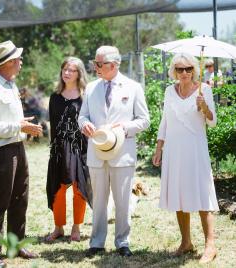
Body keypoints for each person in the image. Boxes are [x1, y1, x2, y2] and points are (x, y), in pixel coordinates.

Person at [78, 46, 150, 257]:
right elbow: (83, 116)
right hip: (97, 152)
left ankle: (122, 242)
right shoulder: (91, 88)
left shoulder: (133, 87)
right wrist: (85, 125)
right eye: (95, 63)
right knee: (98, 201)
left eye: (99, 64)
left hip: (122, 153)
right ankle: (97, 242)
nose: (95, 67)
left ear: (114, 64)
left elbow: (144, 120)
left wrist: (125, 129)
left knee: (123, 201)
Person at [0, 40, 42, 267]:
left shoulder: (10, 85)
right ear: (9, 62)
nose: (21, 62)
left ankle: (16, 245)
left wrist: (22, 125)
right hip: (1, 151)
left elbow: (9, 120)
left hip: (17, 147)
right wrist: (19, 126)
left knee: (20, 197)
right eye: (18, 59)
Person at [152, 53, 219, 264]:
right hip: (174, 151)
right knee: (179, 194)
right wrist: (159, 147)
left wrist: (205, 107)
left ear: (194, 70)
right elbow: (164, 121)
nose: (184, 73)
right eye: (180, 69)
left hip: (195, 149)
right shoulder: (169, 91)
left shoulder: (204, 90)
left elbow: (213, 122)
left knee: (202, 195)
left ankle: (210, 246)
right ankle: (186, 242)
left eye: (188, 69)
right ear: (174, 71)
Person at [46, 57, 92, 242]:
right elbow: (53, 125)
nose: (66, 73)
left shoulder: (85, 96)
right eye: (64, 69)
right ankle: (58, 228)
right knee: (58, 188)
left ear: (79, 73)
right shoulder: (54, 97)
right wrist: (54, 149)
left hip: (80, 148)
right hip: (59, 149)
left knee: (78, 188)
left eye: (71, 70)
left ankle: (76, 227)